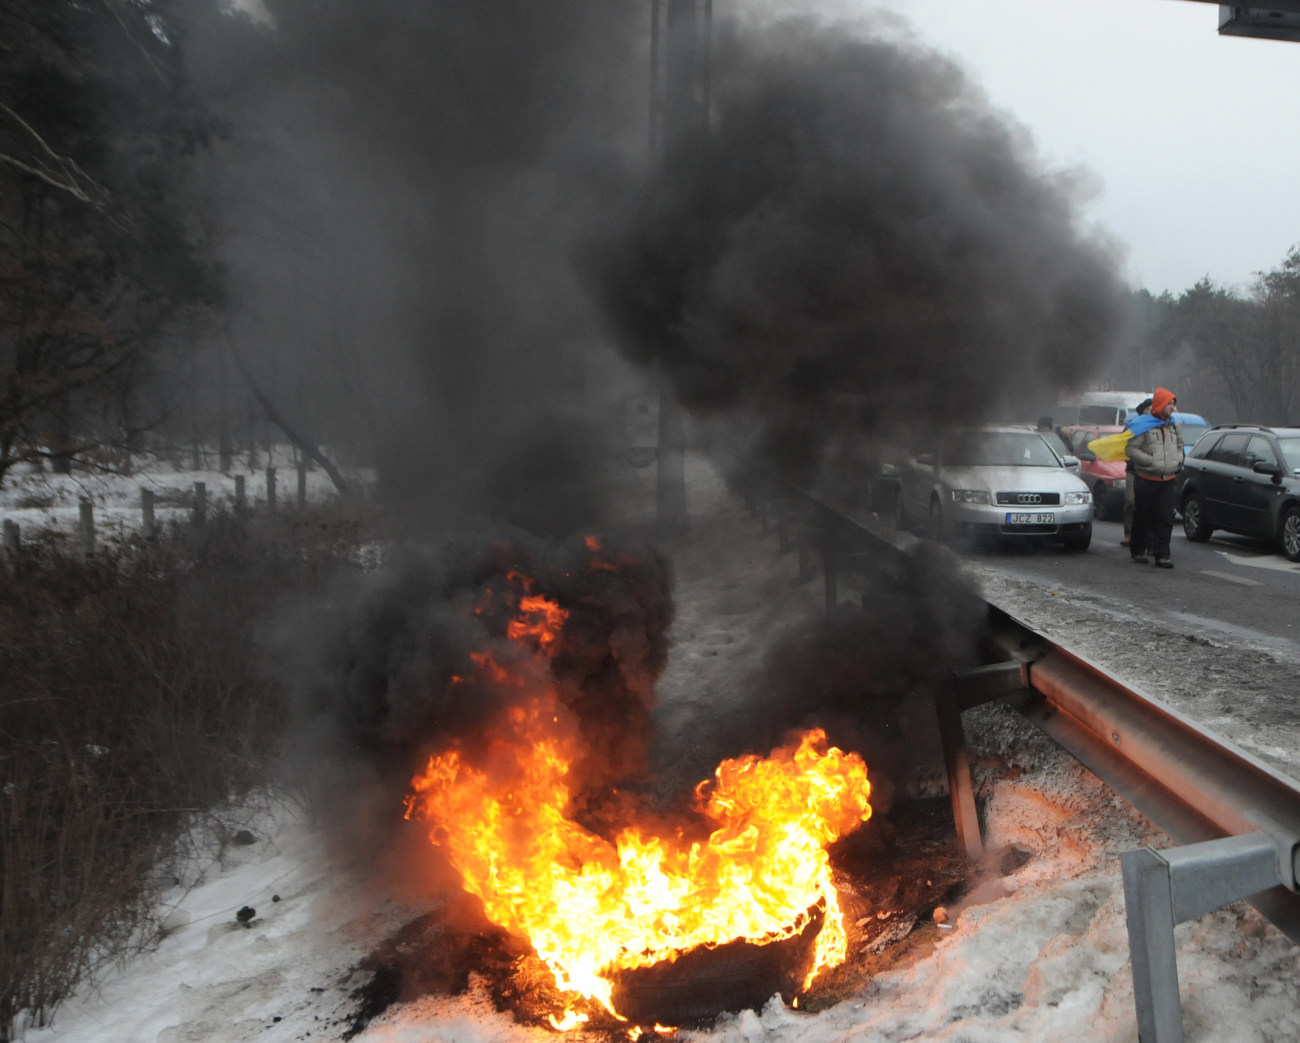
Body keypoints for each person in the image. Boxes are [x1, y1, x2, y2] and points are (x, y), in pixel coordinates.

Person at [1126, 388, 1184, 568]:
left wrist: (1178, 459)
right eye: (1168, 403)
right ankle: (1138, 550)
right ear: (1160, 404)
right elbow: (1131, 449)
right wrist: (1150, 461)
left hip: (1167, 479)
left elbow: (1180, 446)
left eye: (1173, 403)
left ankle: (1162, 555)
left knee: (1165, 517)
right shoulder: (1144, 424)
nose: (1172, 407)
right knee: (1143, 516)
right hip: (1146, 478)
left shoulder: (1174, 425)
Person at [1120, 397, 1153, 547]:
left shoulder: (1158, 426)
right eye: (1149, 408)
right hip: (1133, 470)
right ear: (1143, 411)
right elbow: (1124, 443)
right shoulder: (1134, 425)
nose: (1151, 411)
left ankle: (1148, 537)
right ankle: (1128, 533)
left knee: (1149, 506)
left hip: (1151, 471)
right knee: (1130, 501)